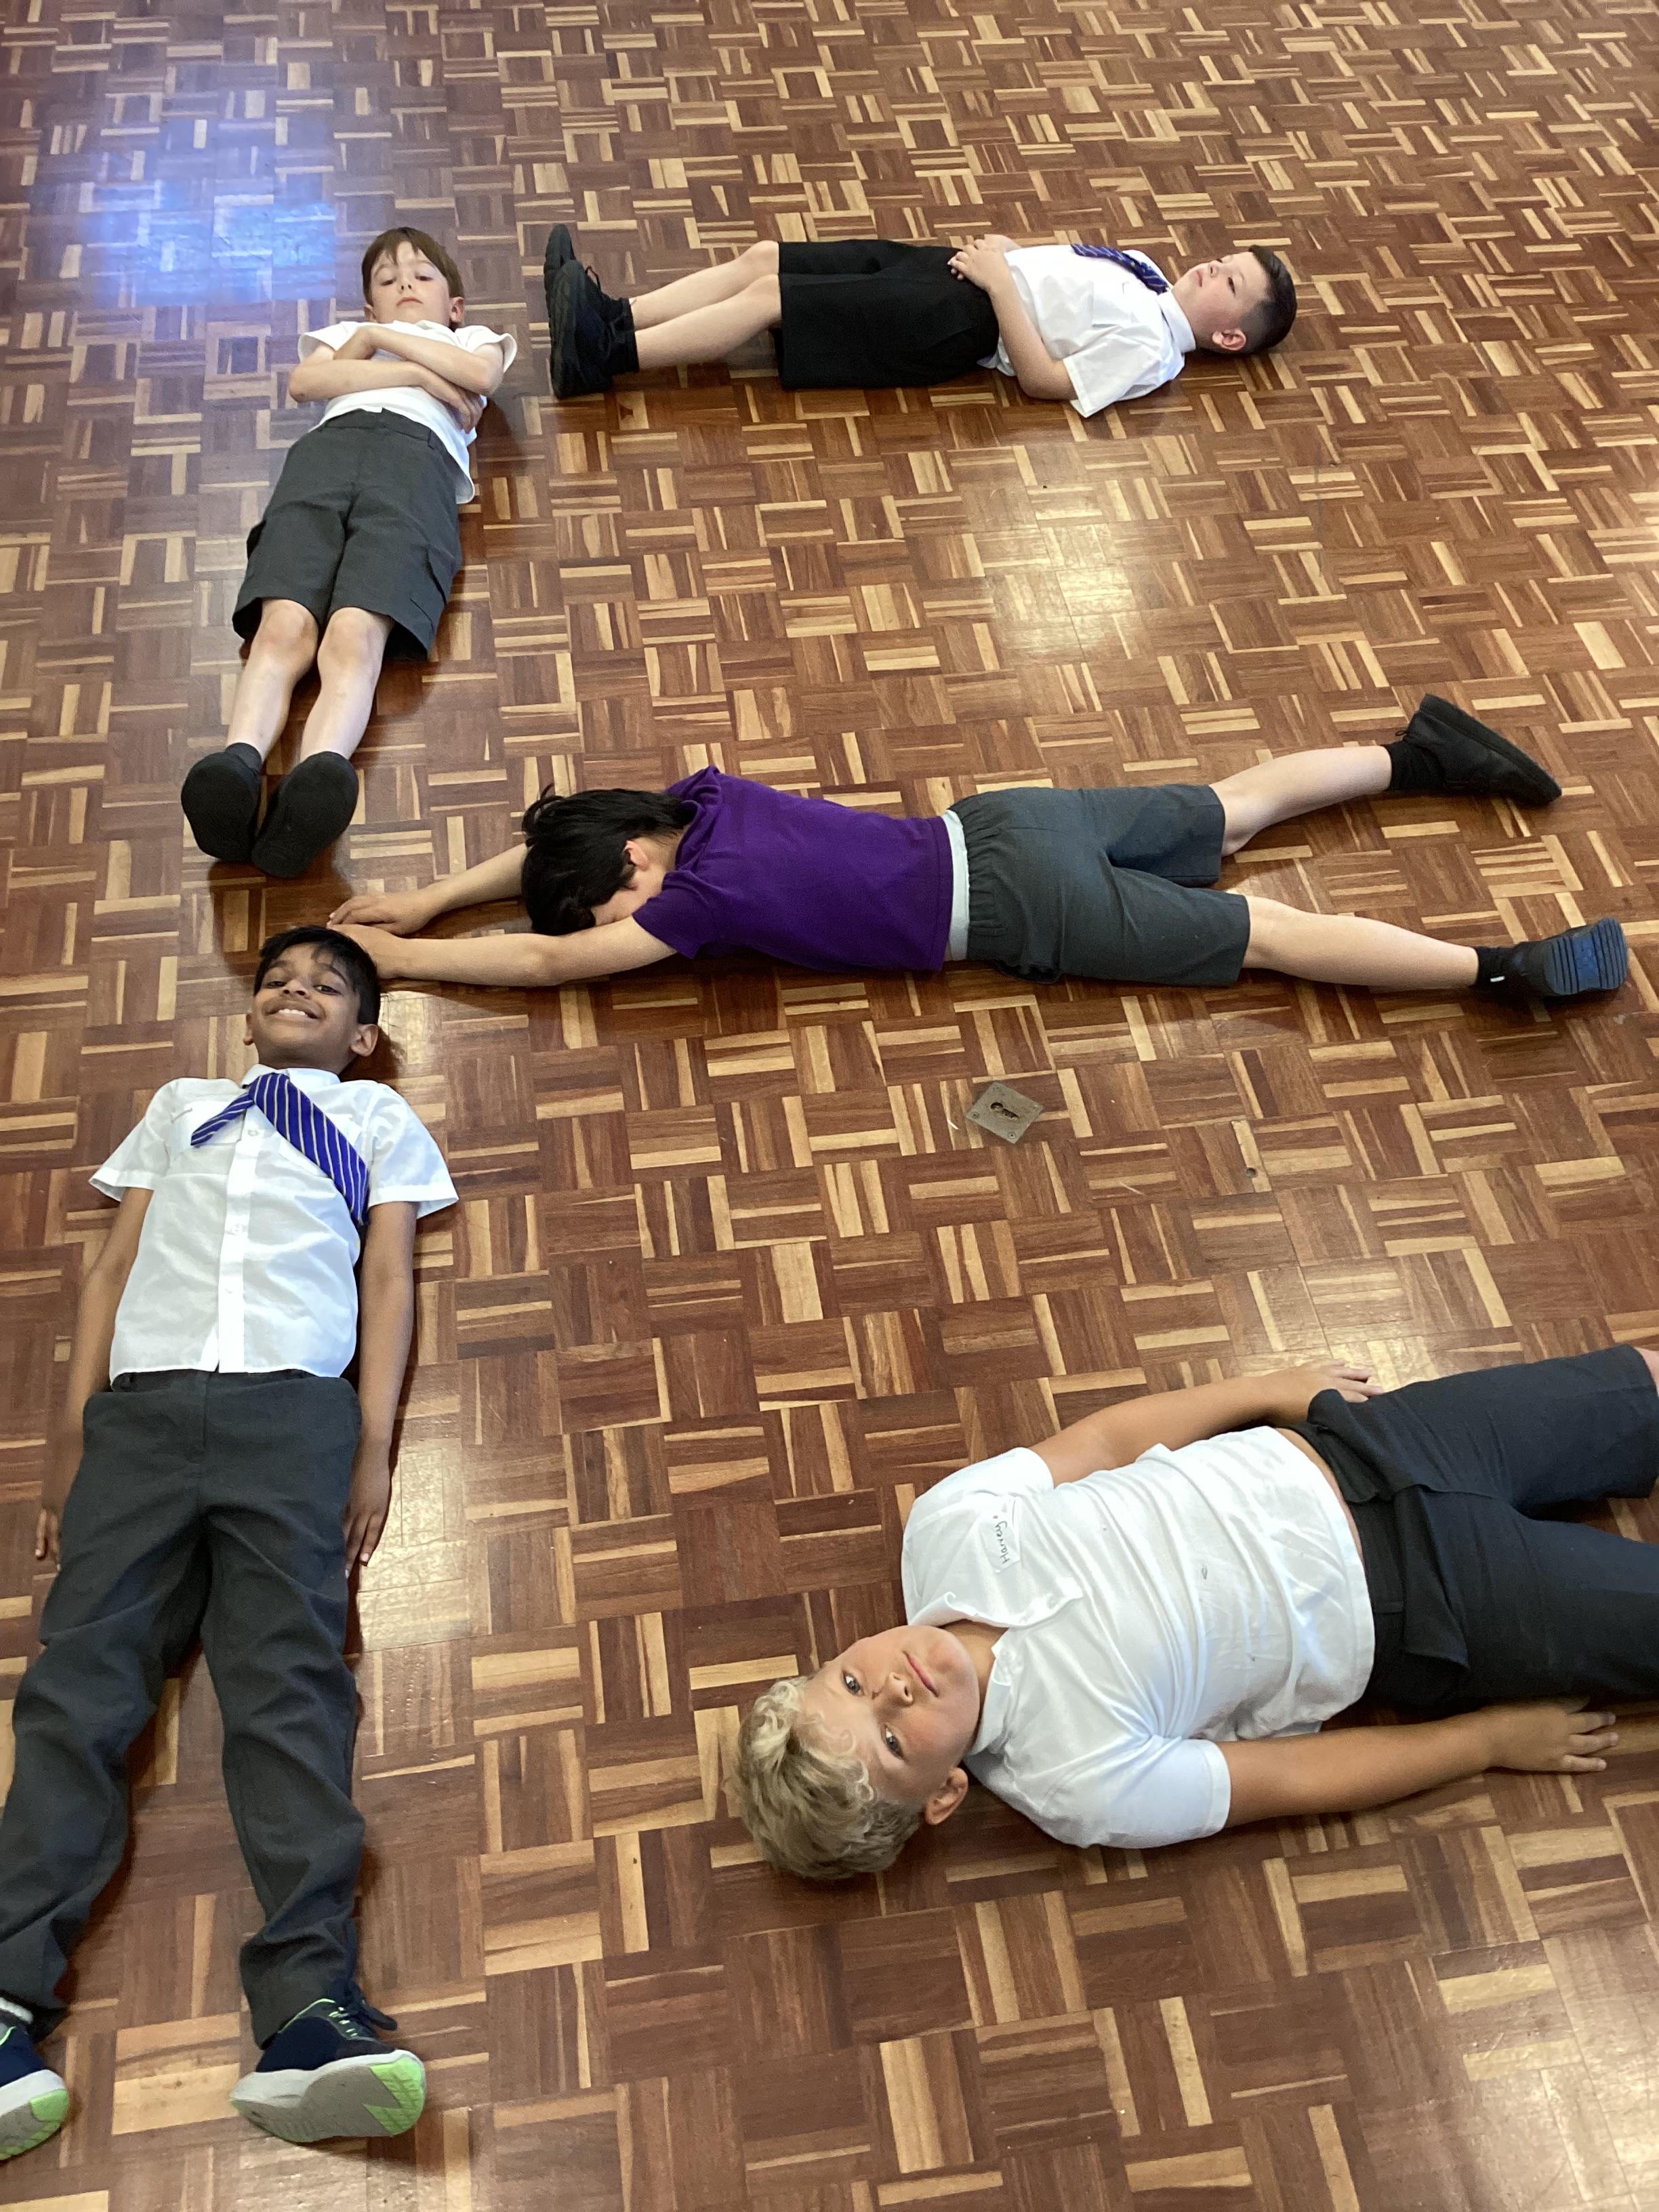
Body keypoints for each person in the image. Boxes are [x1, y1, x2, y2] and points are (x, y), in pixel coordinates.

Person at [0, 927, 457, 2161]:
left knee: (289, 1691)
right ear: (248, 1014)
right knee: (77, 1689)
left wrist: (371, 1444)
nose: (296, 991)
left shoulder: (375, 1122)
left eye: (327, 986)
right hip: (140, 1417)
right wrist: (67, 1436)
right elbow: (109, 1276)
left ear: (364, 1035)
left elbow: (389, 1283)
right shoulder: (180, 1105)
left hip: (292, 1420)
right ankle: (1, 2004)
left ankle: (308, 2011)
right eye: (277, 981)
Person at [731, 1343, 1659, 1881]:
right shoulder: (1075, 1785)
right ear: (942, 1796)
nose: (894, 1689)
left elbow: (1102, 1440)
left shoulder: (944, 1530)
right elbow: (1292, 1777)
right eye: (895, 1741)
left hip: (1363, 1442)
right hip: (1433, 1602)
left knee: (1642, 1384)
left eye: (851, 1682)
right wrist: (1486, 1741)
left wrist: (1264, 1389)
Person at [327, 695, 1628, 1006]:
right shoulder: (702, 800)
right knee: (1232, 809)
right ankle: (1417, 752)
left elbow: (548, 962)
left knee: (1269, 936)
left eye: (605, 897)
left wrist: (408, 959)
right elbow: (554, 856)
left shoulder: (697, 899)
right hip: (1005, 819)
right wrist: (431, 897)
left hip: (1013, 906)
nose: (613, 918)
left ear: (632, 859)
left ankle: (1492, 971)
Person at [181, 228, 516, 879]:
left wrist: (381, 343)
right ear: (368, 306)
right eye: (388, 281)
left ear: (455, 306)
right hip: (325, 459)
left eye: (421, 275)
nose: (405, 285)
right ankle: (236, 767)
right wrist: (411, 367)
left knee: (355, 634)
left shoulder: (471, 339)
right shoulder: (348, 333)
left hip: (415, 469)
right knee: (284, 625)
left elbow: (481, 376)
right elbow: (307, 382)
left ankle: (315, 780)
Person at [541, 222, 1294, 410]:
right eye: (1222, 258)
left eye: (1229, 281)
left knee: (774, 302)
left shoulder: (1153, 351)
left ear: (1229, 336)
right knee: (767, 260)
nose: (1211, 267)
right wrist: (1008, 254)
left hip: (962, 317)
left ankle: (602, 356)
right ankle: (614, 313)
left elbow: (1045, 380)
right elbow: (1059, 274)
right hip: (955, 270)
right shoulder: (1149, 270)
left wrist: (1000, 285)